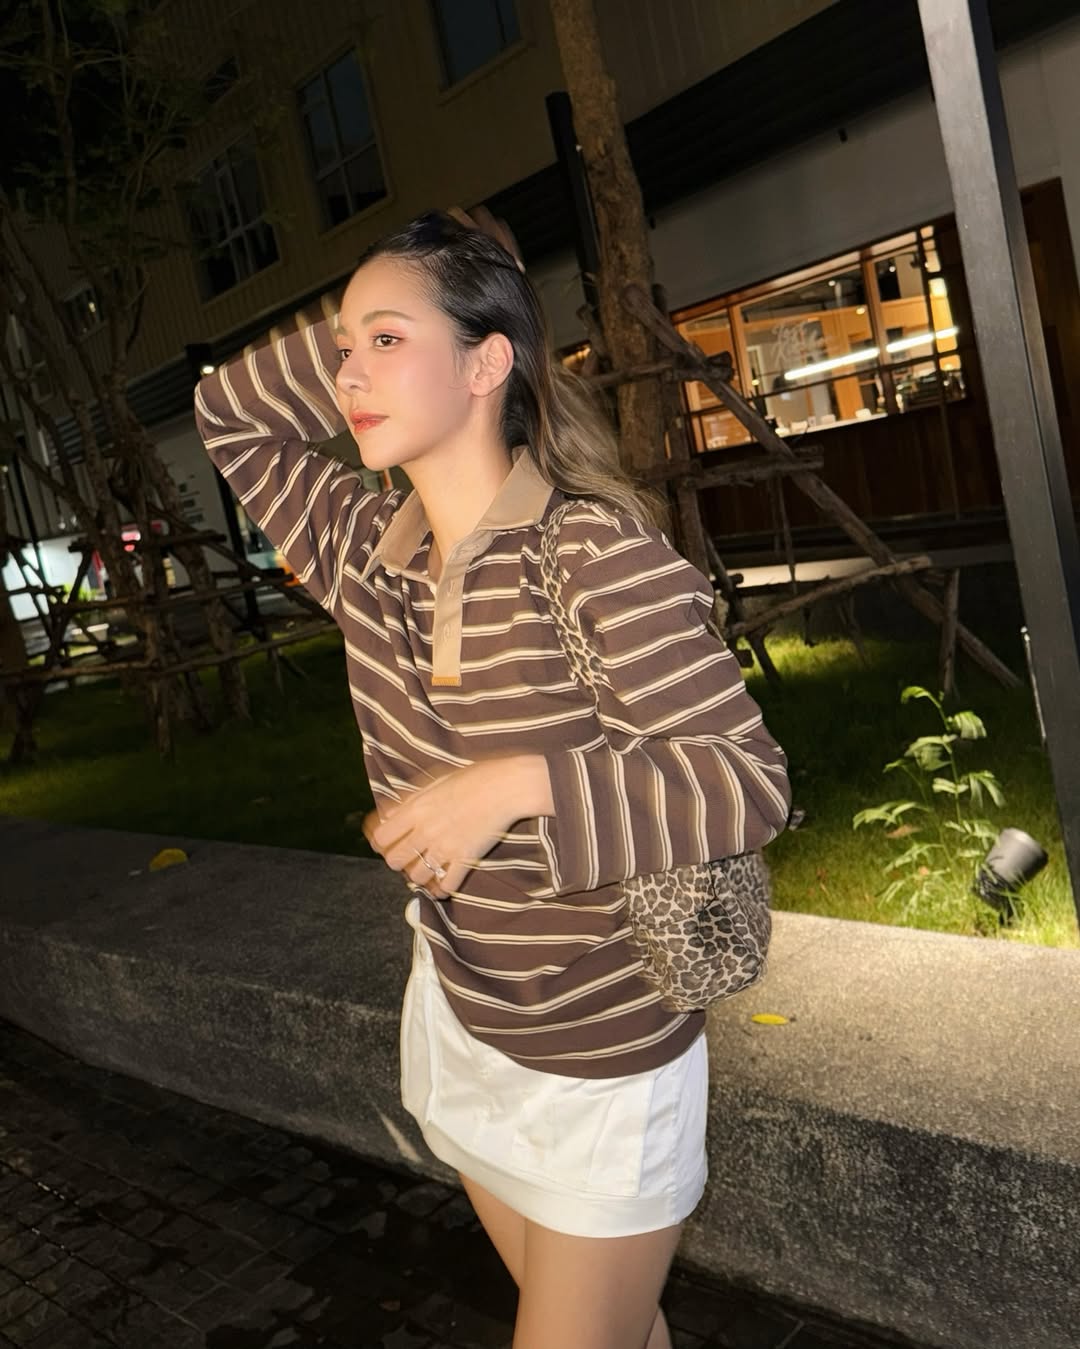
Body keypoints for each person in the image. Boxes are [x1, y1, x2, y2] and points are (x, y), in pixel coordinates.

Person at [194, 208, 791, 1349]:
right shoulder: (366, 554)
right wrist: (418, 297)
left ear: (487, 364)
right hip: (463, 1015)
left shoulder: (592, 553)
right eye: (344, 350)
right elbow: (228, 412)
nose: (348, 375)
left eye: (386, 342)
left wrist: (518, 782)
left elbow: (746, 779)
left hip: (600, 1057)